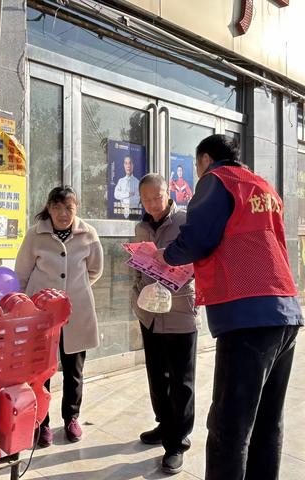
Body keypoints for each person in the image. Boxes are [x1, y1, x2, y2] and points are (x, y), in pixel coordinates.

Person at [154, 134, 304, 480]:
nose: (197, 172)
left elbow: (199, 238)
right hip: (284, 311)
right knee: (268, 421)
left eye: (196, 166)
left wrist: (166, 255)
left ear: (205, 159)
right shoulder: (263, 187)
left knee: (229, 425)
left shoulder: (217, 180)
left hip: (246, 314)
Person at [15, 186, 103, 447]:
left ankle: (71, 418)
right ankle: (41, 422)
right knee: (41, 372)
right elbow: (22, 272)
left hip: (76, 314)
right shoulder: (35, 235)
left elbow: (95, 270)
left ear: (76, 209)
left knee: (74, 371)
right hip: (42, 315)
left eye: (69, 208)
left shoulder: (88, 234)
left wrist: (74, 291)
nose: (63, 213)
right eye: (57, 207)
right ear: (49, 208)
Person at [131, 174, 198, 475]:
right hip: (150, 312)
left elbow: (200, 259)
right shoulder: (141, 227)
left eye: (156, 197)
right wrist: (136, 296)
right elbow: (136, 266)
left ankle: (178, 442)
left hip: (180, 310)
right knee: (157, 375)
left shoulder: (186, 220)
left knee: (181, 381)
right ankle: (164, 425)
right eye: (145, 199)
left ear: (168, 193)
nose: (151, 204)